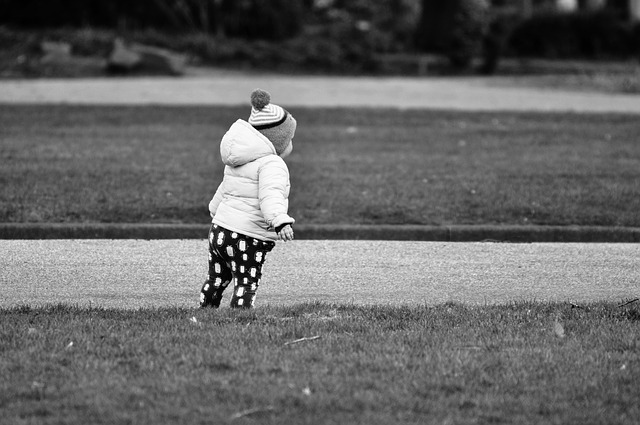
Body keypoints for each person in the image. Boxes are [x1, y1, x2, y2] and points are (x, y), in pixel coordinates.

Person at [200, 88, 296, 309]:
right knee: (246, 282)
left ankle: (206, 309)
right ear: (277, 141)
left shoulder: (239, 160)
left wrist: (215, 211)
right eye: (289, 138)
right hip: (247, 237)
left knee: (217, 278)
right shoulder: (272, 163)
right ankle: (240, 318)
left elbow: (225, 189)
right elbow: (271, 195)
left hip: (219, 232)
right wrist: (280, 220)